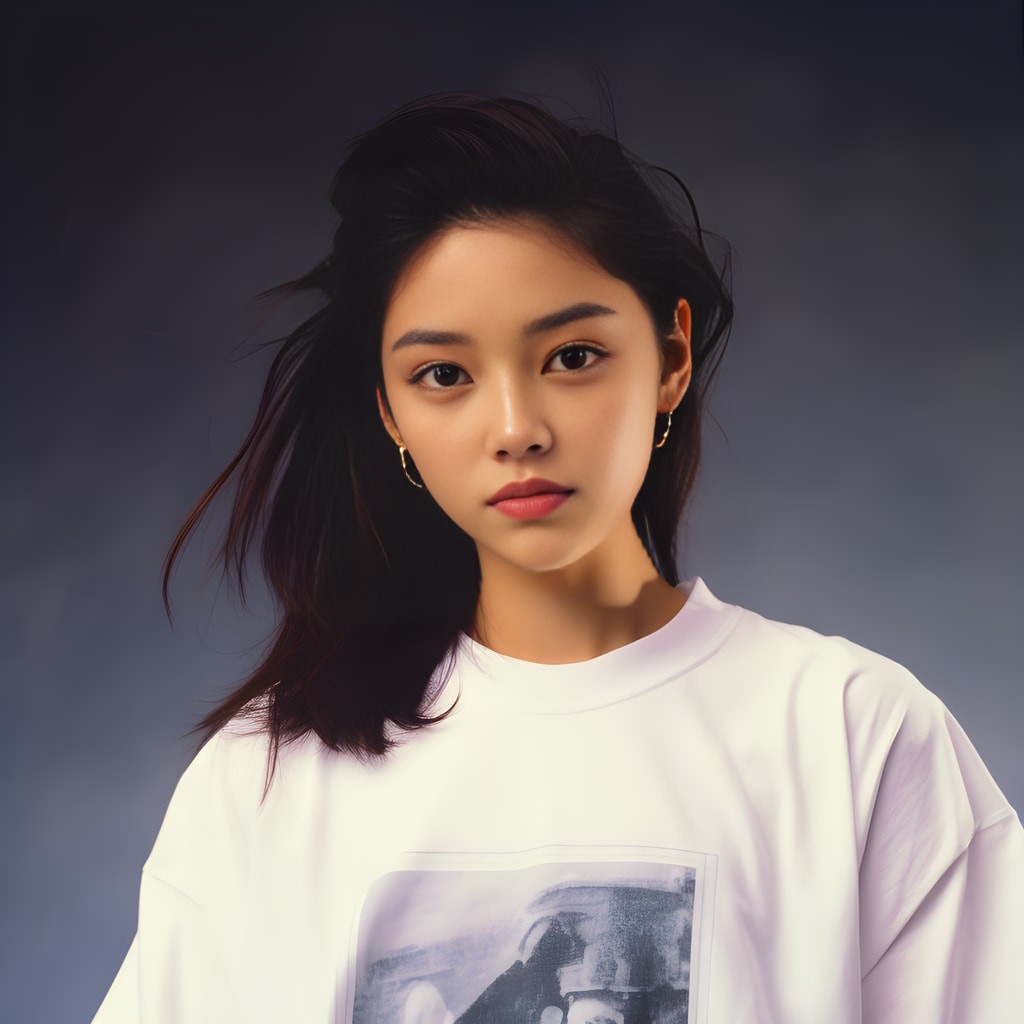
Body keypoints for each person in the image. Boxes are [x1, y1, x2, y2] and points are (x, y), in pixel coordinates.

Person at [93, 91, 1023, 1023]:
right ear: (390, 414)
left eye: (571, 356)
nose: (516, 429)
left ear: (670, 357)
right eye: (443, 375)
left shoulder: (852, 737)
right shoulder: (269, 774)